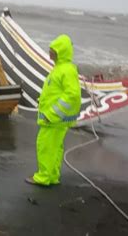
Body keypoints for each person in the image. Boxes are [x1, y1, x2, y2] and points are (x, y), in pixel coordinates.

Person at [26, 34, 81, 186]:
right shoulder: (61, 68)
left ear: (60, 52)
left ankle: (43, 177)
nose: (49, 52)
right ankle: (53, 176)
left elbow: (73, 94)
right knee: (55, 148)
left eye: (53, 50)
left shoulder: (65, 70)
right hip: (55, 119)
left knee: (45, 146)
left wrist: (53, 113)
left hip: (54, 120)